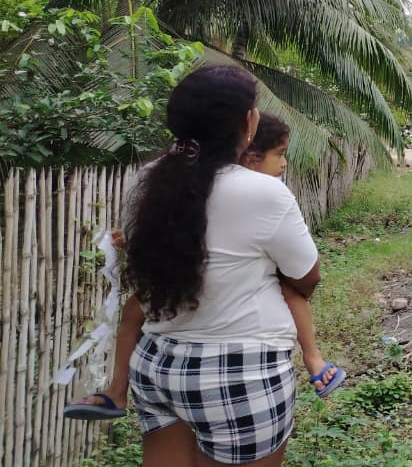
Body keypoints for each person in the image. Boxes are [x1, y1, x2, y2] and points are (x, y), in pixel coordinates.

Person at [80, 66, 322, 467]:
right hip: (239, 373)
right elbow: (306, 276)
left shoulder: (147, 181)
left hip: (157, 365)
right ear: (248, 122)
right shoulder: (263, 193)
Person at [64, 114, 345, 423]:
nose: (284, 163)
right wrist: (132, 238)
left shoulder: (192, 181)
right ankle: (117, 390)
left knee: (135, 311)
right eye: (279, 155)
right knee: (134, 309)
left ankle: (314, 358)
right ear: (251, 158)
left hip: (190, 290)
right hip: (203, 295)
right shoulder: (253, 190)